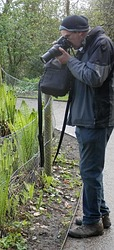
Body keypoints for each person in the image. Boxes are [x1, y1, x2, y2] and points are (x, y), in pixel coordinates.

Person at [56, 15, 114, 238]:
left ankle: (92, 223)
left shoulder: (102, 44)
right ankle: (101, 214)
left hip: (96, 118)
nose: (67, 41)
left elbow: (93, 77)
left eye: (68, 37)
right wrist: (66, 60)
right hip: (86, 117)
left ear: (80, 32)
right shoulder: (85, 46)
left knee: (89, 171)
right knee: (91, 171)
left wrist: (69, 61)